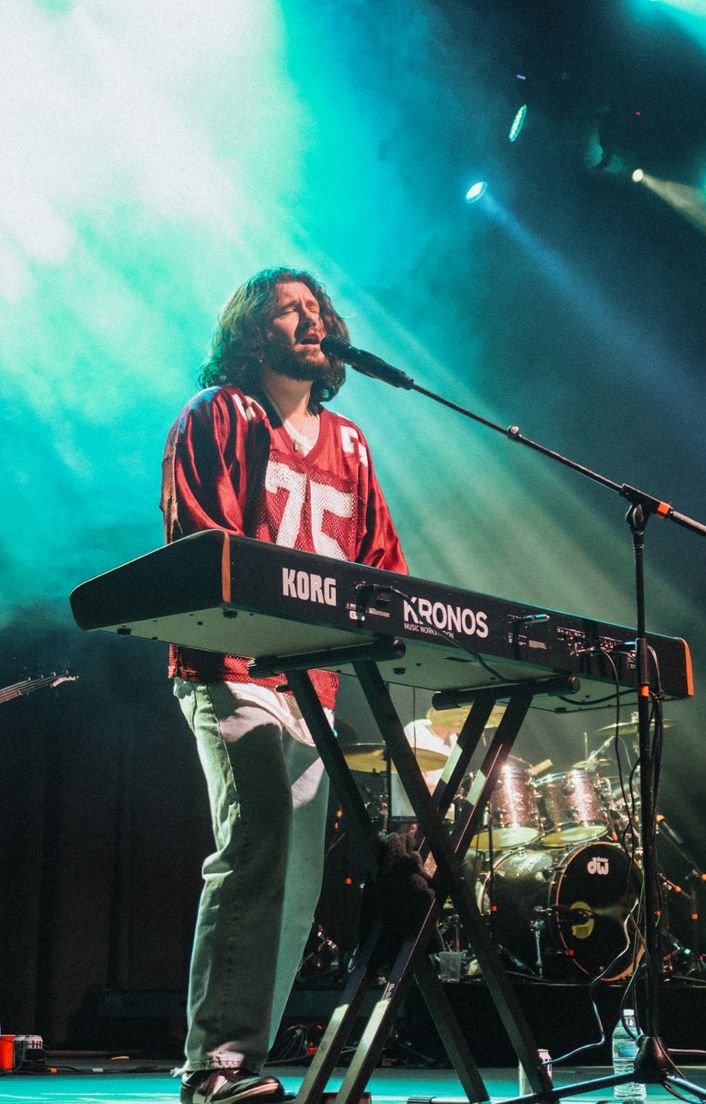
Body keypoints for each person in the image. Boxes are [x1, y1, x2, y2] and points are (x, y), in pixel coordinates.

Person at [160, 267, 408, 1104]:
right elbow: (204, 549)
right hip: (230, 667)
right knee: (260, 833)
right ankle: (216, 1068)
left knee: (297, 875)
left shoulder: (352, 445)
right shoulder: (217, 415)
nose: (309, 320)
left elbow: (383, 572)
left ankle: (245, 1064)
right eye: (287, 310)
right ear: (251, 333)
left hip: (315, 691)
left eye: (316, 310)